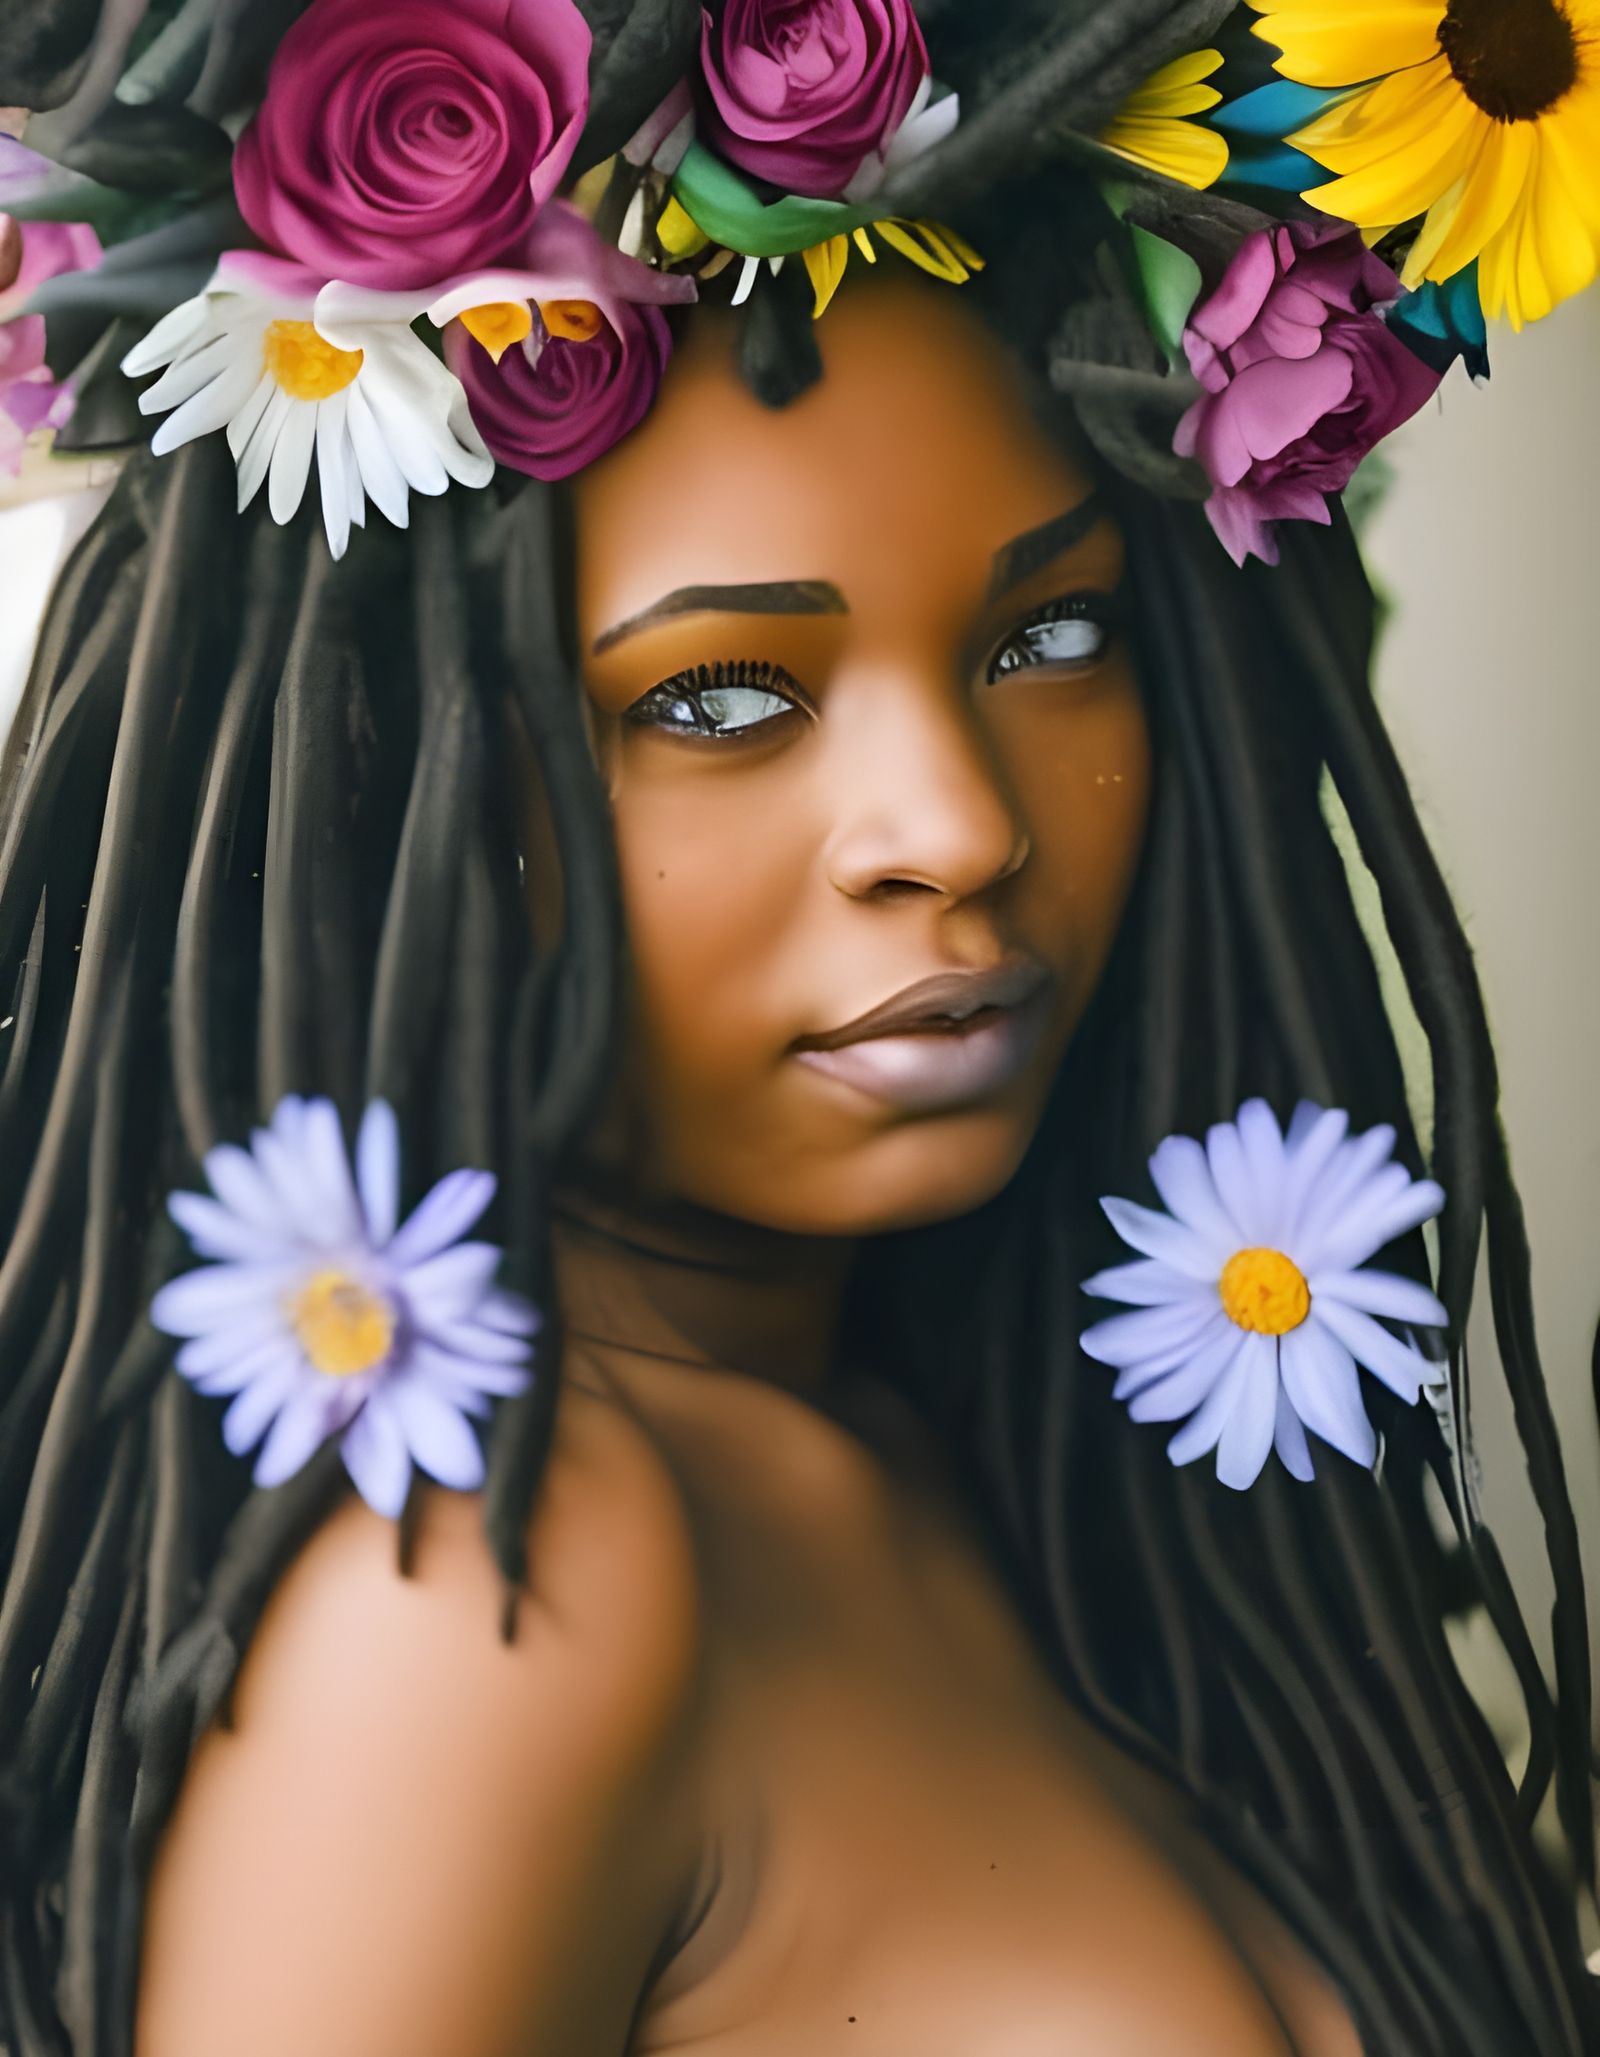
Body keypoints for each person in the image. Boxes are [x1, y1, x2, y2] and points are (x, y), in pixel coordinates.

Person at [0, 2, 1595, 2052]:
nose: (957, 828)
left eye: (1054, 635)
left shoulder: (989, 1435)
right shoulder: (490, 1600)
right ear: (385, 781)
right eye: (721, 700)